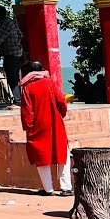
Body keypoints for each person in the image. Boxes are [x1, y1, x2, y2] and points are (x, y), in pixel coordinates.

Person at [18, 61, 71, 197]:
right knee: (62, 154)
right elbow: (61, 101)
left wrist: (28, 128)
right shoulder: (50, 83)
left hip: (38, 126)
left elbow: (27, 112)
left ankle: (48, 189)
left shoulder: (27, 88)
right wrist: (60, 115)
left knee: (41, 156)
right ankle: (66, 188)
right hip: (56, 123)